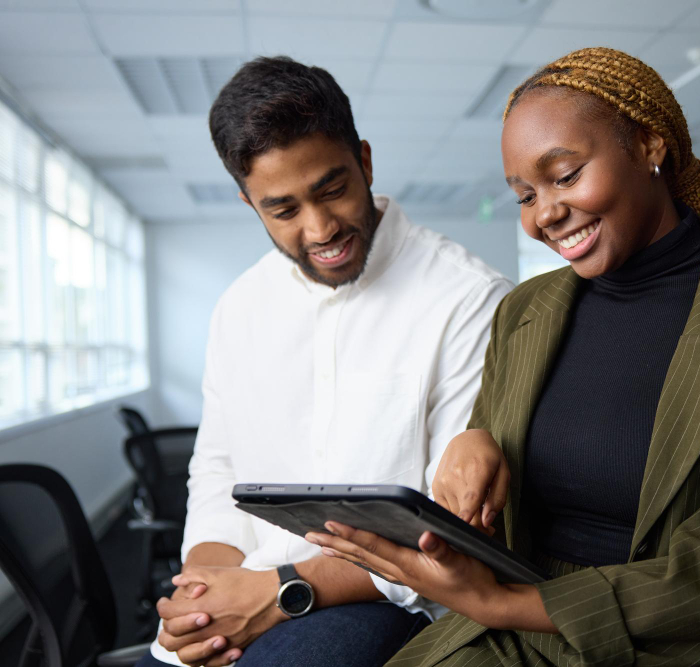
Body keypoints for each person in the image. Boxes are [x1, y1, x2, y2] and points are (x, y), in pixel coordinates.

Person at [307, 47, 700, 667]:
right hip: (523, 632)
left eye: (565, 175)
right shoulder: (526, 311)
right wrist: (476, 445)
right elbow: (501, 456)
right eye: (523, 196)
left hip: (689, 645)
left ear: (651, 146)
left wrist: (502, 606)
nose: (545, 213)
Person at [135, 56, 513, 667]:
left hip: (388, 599)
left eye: (332, 189)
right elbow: (217, 468)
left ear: (364, 162)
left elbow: (450, 531)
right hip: (243, 588)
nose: (320, 228)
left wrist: (280, 591)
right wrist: (202, 595)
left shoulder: (469, 299)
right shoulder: (240, 307)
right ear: (249, 203)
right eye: (283, 210)